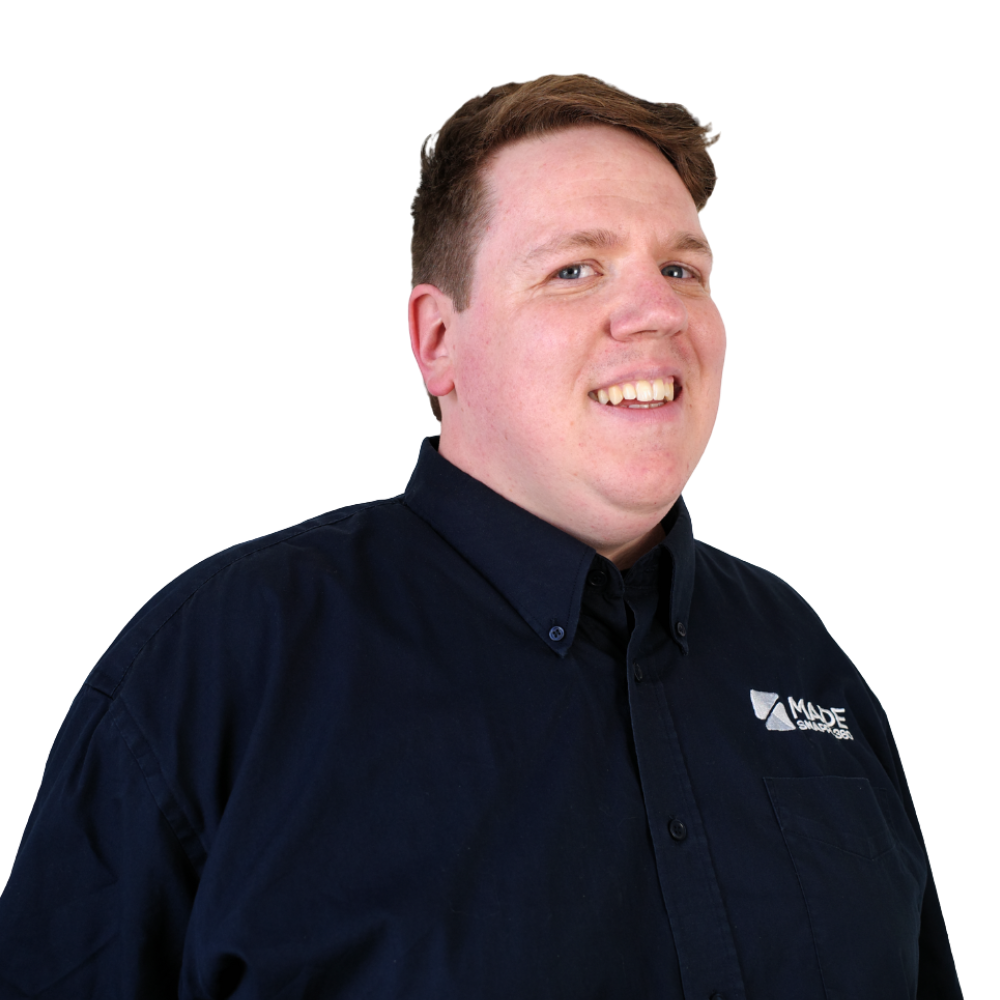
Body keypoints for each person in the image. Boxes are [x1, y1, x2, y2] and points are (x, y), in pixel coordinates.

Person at [0, 73, 961, 999]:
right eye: (574, 269)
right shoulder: (217, 665)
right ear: (436, 341)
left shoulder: (802, 653)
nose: (659, 311)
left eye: (682, 269)